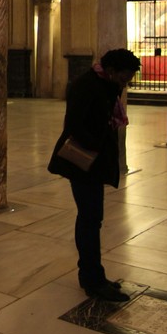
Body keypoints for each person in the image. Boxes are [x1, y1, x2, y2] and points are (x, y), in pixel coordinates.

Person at [48, 48, 141, 302]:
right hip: (83, 162)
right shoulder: (86, 85)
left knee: (92, 218)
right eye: (123, 79)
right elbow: (76, 125)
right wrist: (96, 148)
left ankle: (93, 274)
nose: (124, 84)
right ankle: (92, 279)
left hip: (92, 162)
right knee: (89, 219)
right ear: (110, 71)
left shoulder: (105, 84)